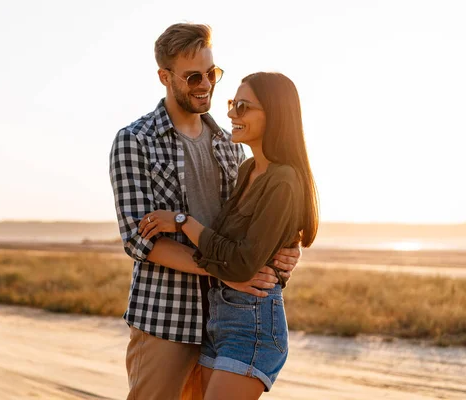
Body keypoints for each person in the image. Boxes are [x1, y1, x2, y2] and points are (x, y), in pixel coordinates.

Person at [109, 23, 301, 400]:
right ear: (164, 77)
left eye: (211, 74)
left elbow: (247, 230)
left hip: (228, 321)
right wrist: (227, 272)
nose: (205, 85)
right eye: (192, 76)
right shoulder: (135, 141)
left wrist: (282, 254)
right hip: (166, 320)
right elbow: (140, 242)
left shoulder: (231, 146)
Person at [138, 72, 320, 398]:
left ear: (275, 115)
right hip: (218, 319)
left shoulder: (284, 180)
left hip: (252, 326)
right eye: (232, 104)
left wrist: (182, 222)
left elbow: (240, 264)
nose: (232, 114)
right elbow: (226, 247)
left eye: (243, 107)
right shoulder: (248, 169)